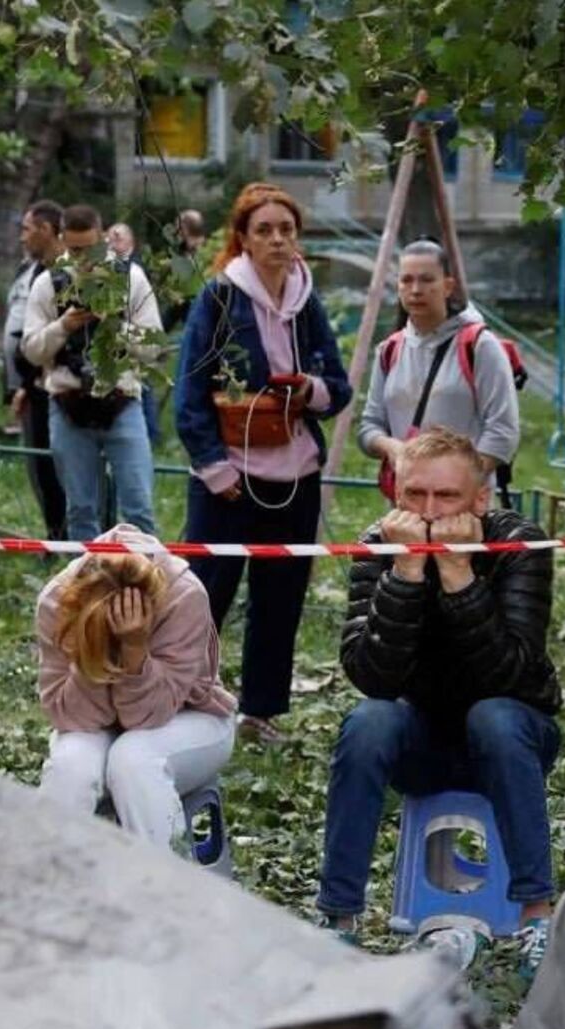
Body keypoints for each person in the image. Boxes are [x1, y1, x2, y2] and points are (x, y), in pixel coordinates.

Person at [320, 427, 562, 975]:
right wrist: (406, 575)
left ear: (480, 498)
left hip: (514, 736)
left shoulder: (519, 544)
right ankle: (338, 921)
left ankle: (535, 918)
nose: (428, 512)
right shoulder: (380, 544)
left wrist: (459, 579)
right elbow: (371, 676)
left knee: (494, 717)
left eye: (447, 497)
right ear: (395, 494)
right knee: (368, 722)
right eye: (414, 496)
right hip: (421, 740)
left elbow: (510, 674)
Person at [172, 182, 354, 745]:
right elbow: (190, 393)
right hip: (230, 478)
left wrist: (310, 390)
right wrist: (216, 469)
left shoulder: (307, 300)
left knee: (281, 598)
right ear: (244, 240)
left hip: (295, 475)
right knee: (203, 596)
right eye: (265, 231)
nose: (278, 240)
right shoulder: (220, 298)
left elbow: (340, 388)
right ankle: (180, 703)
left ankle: (260, 712)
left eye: (286, 230)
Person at [35, 524, 238, 852]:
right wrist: (93, 651)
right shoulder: (56, 600)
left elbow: (148, 717)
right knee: (71, 767)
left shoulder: (184, 594)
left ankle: (161, 890)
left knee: (135, 760)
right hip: (95, 721)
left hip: (189, 715)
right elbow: (68, 716)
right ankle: (45, 883)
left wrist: (134, 651)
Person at [22, 204, 165, 542]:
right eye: (74, 249)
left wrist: (114, 324)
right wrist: (63, 326)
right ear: (62, 241)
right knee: (80, 510)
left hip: (122, 403)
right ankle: (87, 588)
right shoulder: (47, 283)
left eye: (90, 248)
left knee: (139, 507)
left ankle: (145, 586)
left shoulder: (131, 278)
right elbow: (31, 350)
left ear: (104, 239)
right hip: (68, 404)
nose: (84, 257)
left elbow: (154, 347)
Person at [357, 238, 521, 491]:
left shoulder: (479, 346)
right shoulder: (389, 350)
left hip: (466, 502)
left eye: (426, 280)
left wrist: (454, 483)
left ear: (448, 286)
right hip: (405, 500)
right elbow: (369, 426)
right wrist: (392, 449)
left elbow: (503, 431)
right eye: (406, 280)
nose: (416, 289)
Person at [6, 200, 68, 540]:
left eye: (27, 229)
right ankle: (54, 536)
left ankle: (69, 540)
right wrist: (21, 385)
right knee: (41, 469)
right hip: (32, 384)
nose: (21, 238)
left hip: (58, 385)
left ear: (46, 230)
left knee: (60, 468)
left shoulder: (64, 275)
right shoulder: (27, 271)